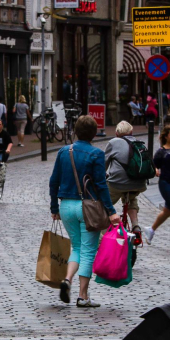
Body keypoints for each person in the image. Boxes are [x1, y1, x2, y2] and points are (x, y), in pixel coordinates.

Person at [49, 115, 120, 308]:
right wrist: (111, 211)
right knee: (88, 251)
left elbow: (53, 181)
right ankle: (83, 296)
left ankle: (67, 280)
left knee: (77, 247)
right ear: (94, 133)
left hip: (66, 207)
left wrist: (54, 208)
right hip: (87, 207)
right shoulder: (96, 154)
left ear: (75, 131)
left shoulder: (64, 151)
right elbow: (101, 185)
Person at [104, 121, 148, 238]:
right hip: (139, 184)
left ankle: (104, 235)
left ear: (116, 133)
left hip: (117, 183)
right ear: (131, 132)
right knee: (132, 198)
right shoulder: (139, 143)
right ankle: (135, 225)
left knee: (103, 203)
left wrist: (104, 175)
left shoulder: (113, 142)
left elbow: (103, 164)